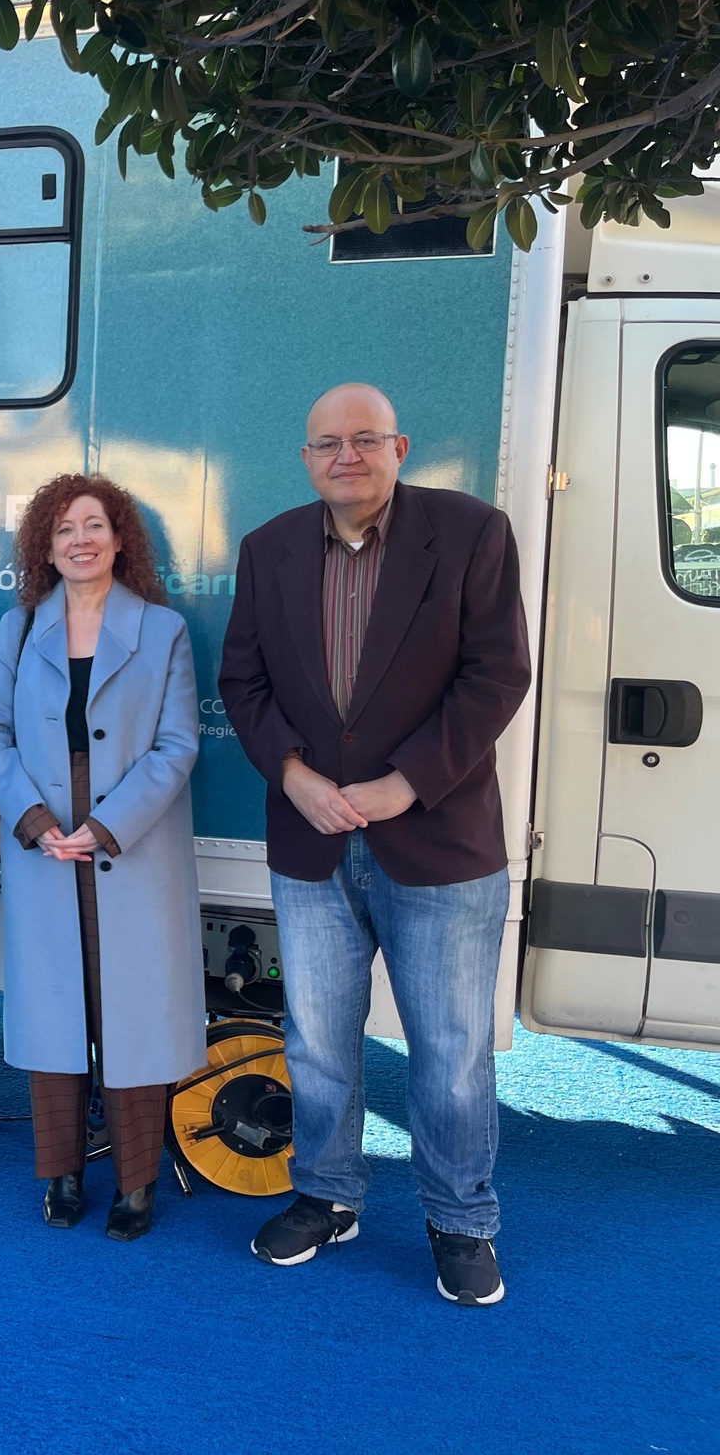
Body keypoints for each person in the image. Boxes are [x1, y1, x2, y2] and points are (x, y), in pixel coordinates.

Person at [220, 383, 531, 1306]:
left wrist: (405, 783)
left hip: (437, 840)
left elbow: (497, 674)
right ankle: (327, 1194)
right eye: (327, 444)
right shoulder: (269, 547)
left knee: (450, 1051)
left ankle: (461, 1220)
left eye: (364, 440)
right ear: (306, 459)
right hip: (311, 838)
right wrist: (293, 776)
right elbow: (243, 682)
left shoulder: (470, 533)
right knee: (317, 1042)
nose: (345, 457)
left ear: (400, 448)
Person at [0, 474, 205, 1241]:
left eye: (94, 525)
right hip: (43, 842)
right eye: (65, 528)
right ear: (45, 547)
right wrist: (32, 817)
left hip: (129, 841)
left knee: (132, 1015)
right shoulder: (17, 629)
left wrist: (106, 826)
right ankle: (61, 1173)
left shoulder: (163, 630)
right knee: (56, 1014)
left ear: (119, 538)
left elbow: (177, 746)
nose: (81, 540)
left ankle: (136, 1182)